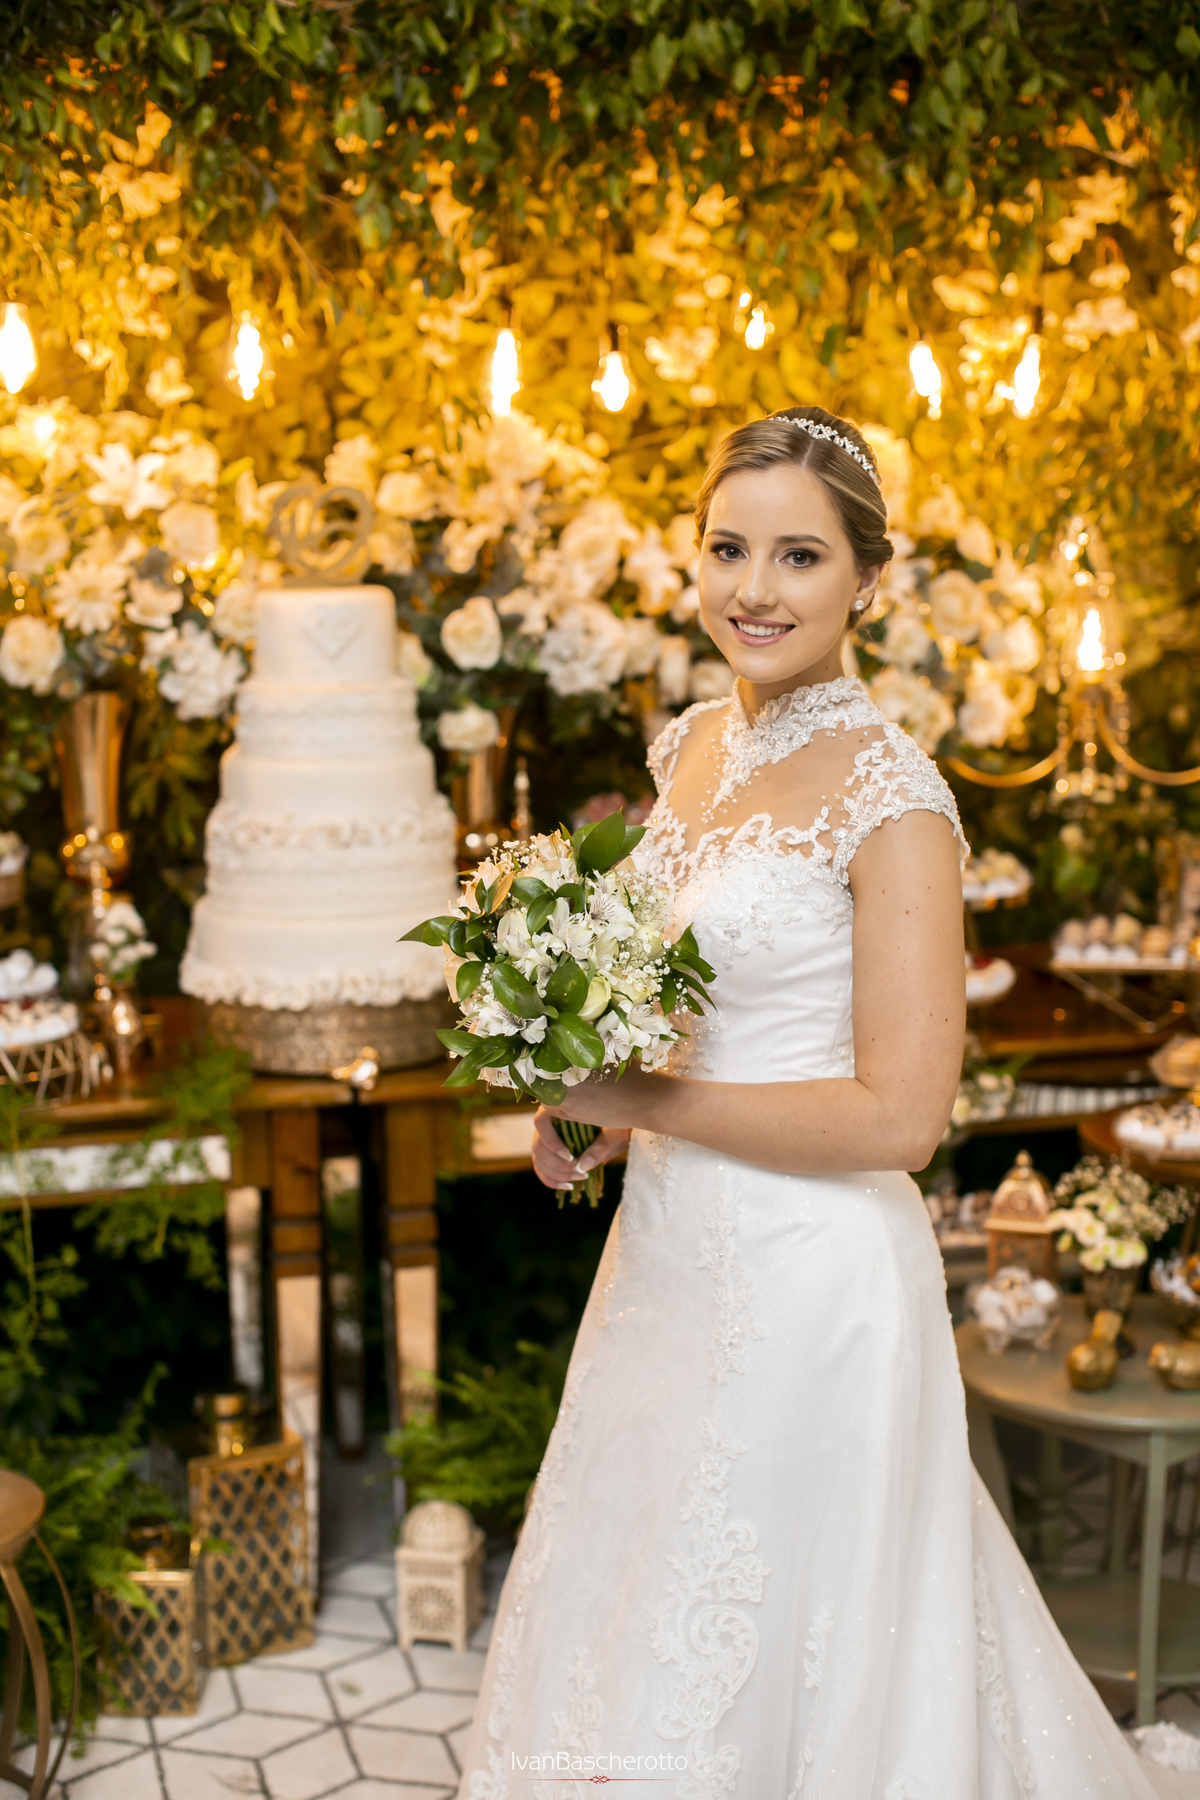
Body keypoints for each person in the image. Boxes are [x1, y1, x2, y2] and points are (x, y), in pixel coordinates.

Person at [455, 407, 1163, 1799]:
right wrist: (593, 1103)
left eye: (799, 556)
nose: (754, 590)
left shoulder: (898, 799)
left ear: (867, 581)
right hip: (667, 1263)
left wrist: (646, 1095)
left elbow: (903, 1120)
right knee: (649, 1599)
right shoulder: (688, 749)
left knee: (801, 1638)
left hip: (815, 1288)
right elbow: (688, 1008)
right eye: (729, 548)